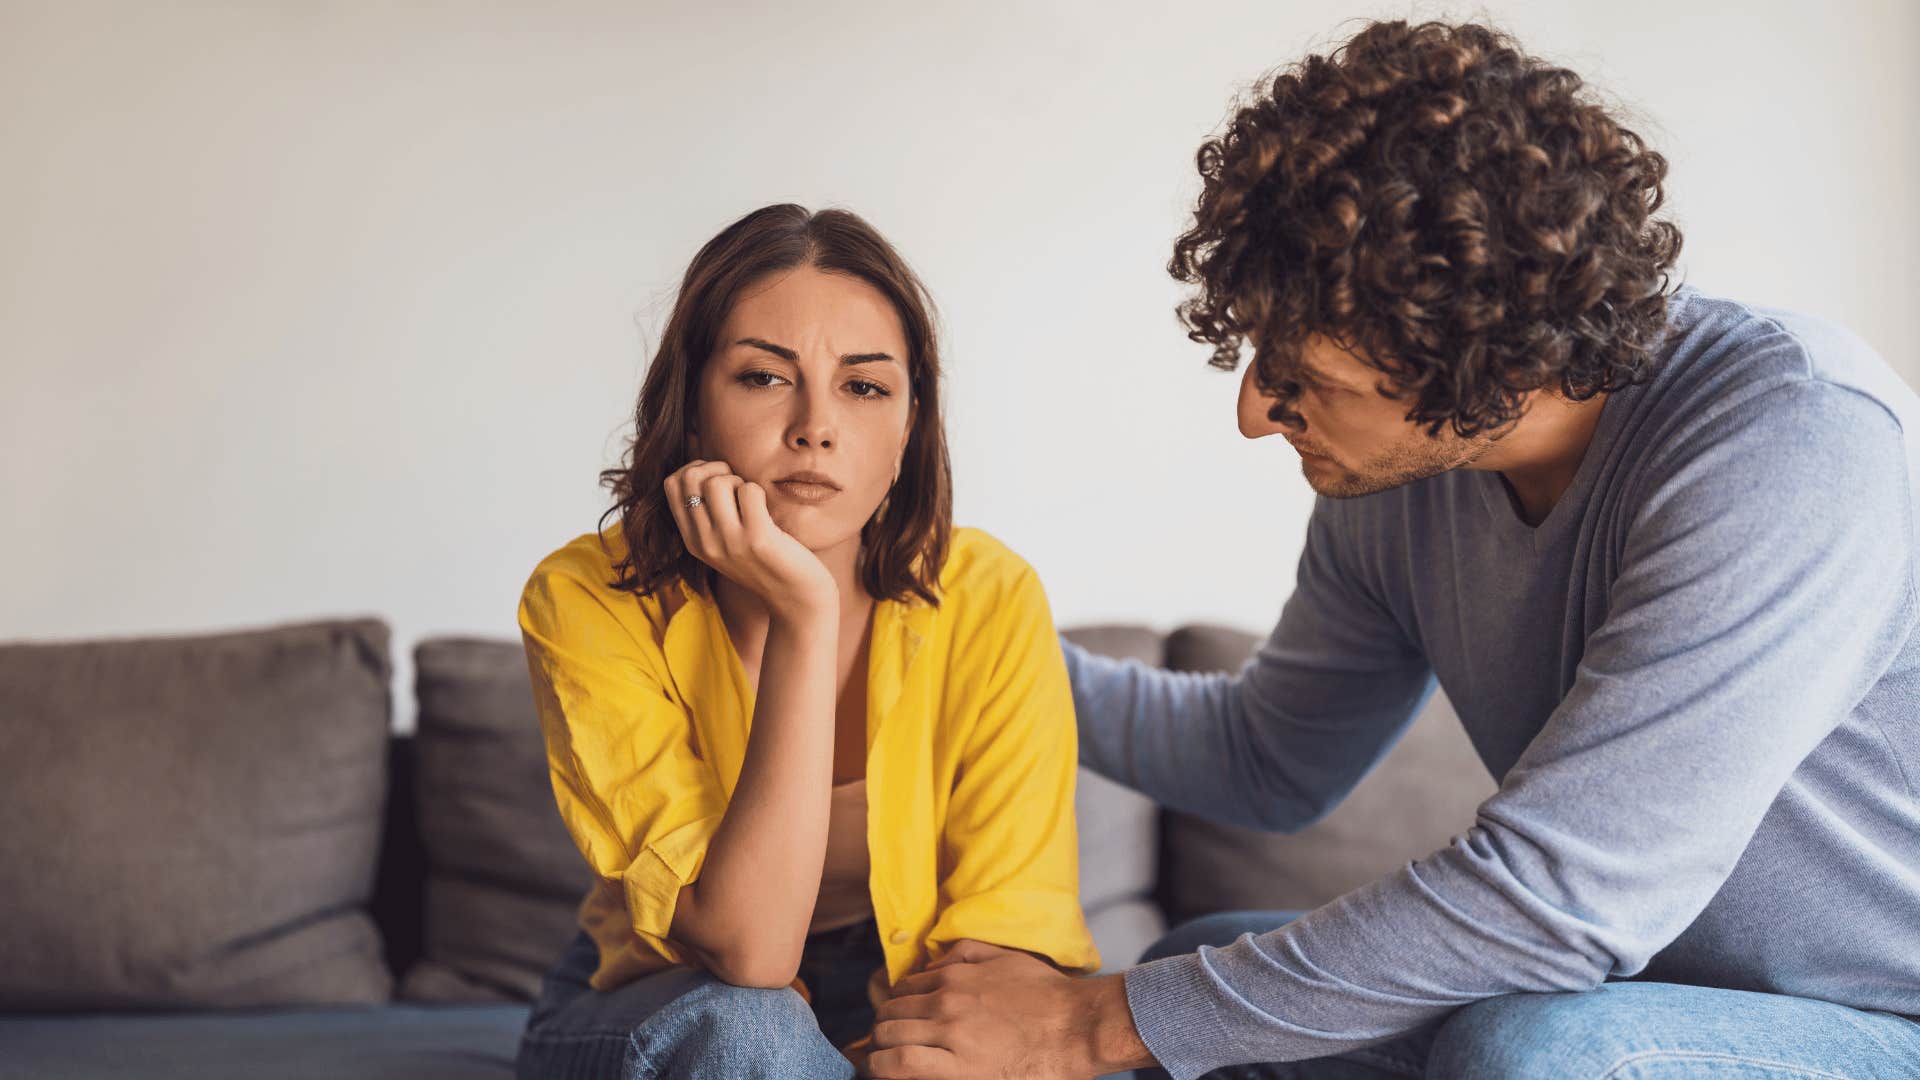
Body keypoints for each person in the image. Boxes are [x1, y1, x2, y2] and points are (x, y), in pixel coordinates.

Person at [864, 19, 1920, 1080]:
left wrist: (1084, 1023)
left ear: (1484, 364)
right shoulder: (1400, 486)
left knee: (1538, 1055)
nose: (1252, 414)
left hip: (1877, 1017)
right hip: (1639, 991)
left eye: (1302, 378)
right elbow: (1268, 761)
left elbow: (1560, 900)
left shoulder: (1796, 432)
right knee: (1196, 965)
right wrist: (954, 636)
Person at [512, 203, 1099, 1079]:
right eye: (763, 377)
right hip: (674, 997)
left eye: (864, 387)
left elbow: (1005, 936)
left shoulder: (989, 594)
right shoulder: (585, 596)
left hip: (902, 978)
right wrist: (804, 611)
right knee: (749, 1029)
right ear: (693, 405)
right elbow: (748, 953)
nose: (814, 426)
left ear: (907, 431)